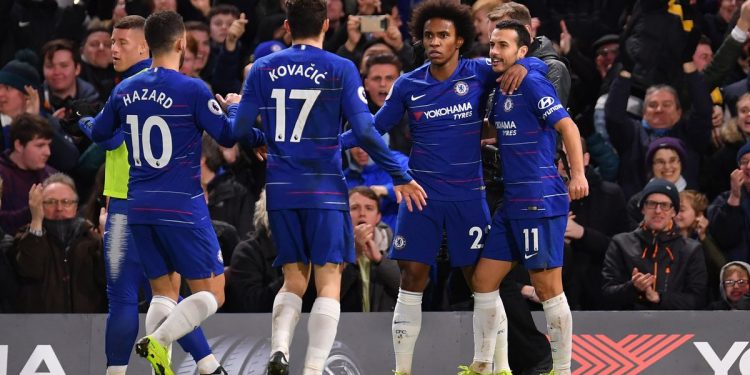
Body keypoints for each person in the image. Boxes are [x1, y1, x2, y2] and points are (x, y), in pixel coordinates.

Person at [338, 2, 538, 374]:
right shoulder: (408, 84)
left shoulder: (480, 72)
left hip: (468, 196)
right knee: (412, 278)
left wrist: (526, 65)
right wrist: (329, 144)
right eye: (429, 35)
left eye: (443, 35)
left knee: (482, 284)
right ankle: (402, 370)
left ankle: (499, 367)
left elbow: (538, 64)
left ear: (459, 39)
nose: (435, 42)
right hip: (421, 197)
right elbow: (372, 129)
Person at [229, 0, 426, 373]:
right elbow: (366, 130)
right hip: (324, 190)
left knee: (292, 279)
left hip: (281, 190)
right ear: (325, 25)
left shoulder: (262, 68)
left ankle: (280, 349)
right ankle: (314, 368)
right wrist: (398, 175)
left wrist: (253, 129)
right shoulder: (341, 67)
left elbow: (237, 133)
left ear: (287, 26)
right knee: (329, 279)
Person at [89, 11, 237, 375]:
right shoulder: (191, 88)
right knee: (212, 293)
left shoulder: (123, 90)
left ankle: (193, 366)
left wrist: (87, 122)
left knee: (158, 293)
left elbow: (101, 134)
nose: (113, 49)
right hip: (180, 206)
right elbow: (229, 136)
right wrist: (234, 109)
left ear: (146, 45)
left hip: (132, 205)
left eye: (120, 42)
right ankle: (162, 344)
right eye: (112, 42)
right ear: (181, 42)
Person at [465, 20, 588, 375]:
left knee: (547, 287)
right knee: (483, 281)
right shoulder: (501, 86)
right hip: (512, 200)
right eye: (492, 44)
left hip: (538, 197)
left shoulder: (531, 80)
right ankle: (485, 365)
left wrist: (577, 174)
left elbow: (567, 126)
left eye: (503, 45)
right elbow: (502, 129)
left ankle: (562, 370)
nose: (494, 52)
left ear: (522, 51)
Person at [602, 179, 708, 310]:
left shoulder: (691, 250)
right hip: (629, 325)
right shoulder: (621, 243)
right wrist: (632, 287)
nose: (658, 211)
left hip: (677, 327)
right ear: (642, 208)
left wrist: (659, 298)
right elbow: (606, 295)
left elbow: (698, 300)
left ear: (674, 212)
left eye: (664, 205)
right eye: (652, 204)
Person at [10, 172, 106, 312]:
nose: (59, 208)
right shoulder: (26, 237)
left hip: (88, 326)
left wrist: (107, 238)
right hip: (39, 327)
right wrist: (36, 220)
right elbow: (29, 270)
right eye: (51, 202)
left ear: (75, 206)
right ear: (39, 205)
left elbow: (108, 278)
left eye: (66, 202)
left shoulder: (92, 239)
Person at [0, 114, 56, 235]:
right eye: (40, 145)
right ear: (19, 145)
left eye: (49, 145)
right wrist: (34, 210)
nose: (48, 152)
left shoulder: (51, 174)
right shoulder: (2, 176)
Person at [348, 186, 400, 312]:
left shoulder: (395, 245)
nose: (362, 213)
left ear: (378, 217)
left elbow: (412, 288)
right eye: (354, 208)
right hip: (345, 326)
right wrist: (353, 256)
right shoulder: (332, 247)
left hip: (383, 327)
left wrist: (380, 260)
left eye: (369, 208)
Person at [708, 141, 750, 266]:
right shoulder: (723, 200)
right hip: (737, 273)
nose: (748, 166)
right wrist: (735, 197)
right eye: (744, 162)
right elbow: (725, 239)